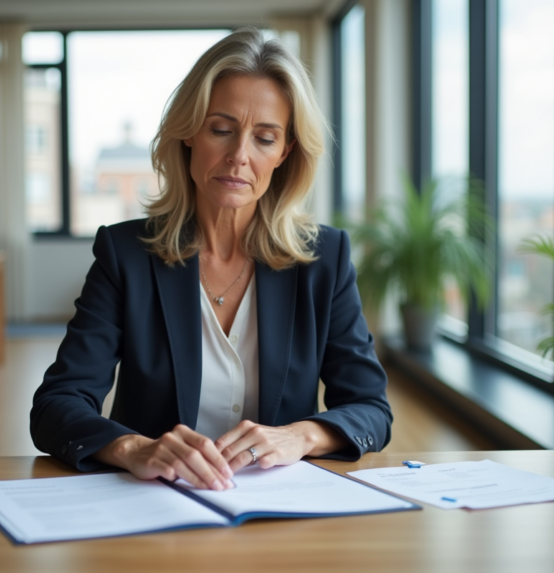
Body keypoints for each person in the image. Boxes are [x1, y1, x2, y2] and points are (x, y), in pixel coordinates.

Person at [30, 28, 391, 491]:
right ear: (188, 135)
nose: (239, 156)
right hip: (152, 502)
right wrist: (133, 447)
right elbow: (56, 405)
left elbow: (371, 410)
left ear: (285, 152)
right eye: (221, 130)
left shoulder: (324, 259)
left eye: (264, 138)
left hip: (282, 512)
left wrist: (299, 436)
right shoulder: (125, 255)